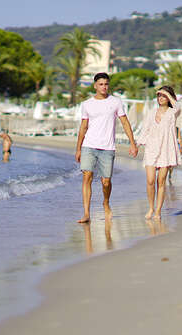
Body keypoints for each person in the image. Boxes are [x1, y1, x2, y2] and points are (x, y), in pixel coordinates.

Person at [75, 72, 138, 223]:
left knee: (106, 182)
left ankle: (106, 202)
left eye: (106, 84)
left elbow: (124, 122)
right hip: (89, 146)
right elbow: (83, 127)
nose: (104, 87)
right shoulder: (87, 104)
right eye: (101, 84)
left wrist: (132, 143)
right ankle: (86, 213)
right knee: (87, 177)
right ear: (95, 85)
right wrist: (78, 149)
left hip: (107, 147)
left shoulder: (116, 102)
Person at [136, 86, 182, 219]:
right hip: (151, 148)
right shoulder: (151, 112)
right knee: (150, 181)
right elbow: (145, 129)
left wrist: (168, 94)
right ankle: (151, 208)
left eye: (164, 96)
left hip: (166, 150)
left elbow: (178, 106)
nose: (161, 98)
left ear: (169, 98)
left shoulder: (173, 112)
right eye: (159, 96)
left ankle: (158, 211)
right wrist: (137, 144)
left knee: (161, 181)